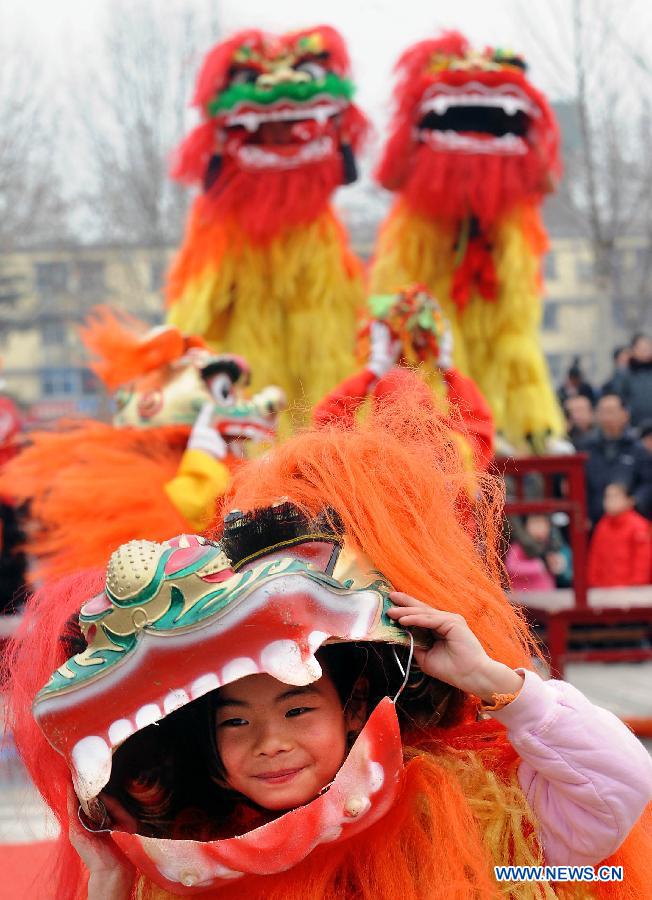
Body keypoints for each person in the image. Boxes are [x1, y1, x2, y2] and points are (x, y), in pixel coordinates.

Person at [5, 376, 652, 900]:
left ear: (349, 705)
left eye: (296, 708)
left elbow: (617, 789)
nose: (272, 743)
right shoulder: (194, 864)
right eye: (235, 723)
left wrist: (497, 683)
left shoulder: (462, 816)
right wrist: (112, 882)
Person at [577, 392, 650, 525]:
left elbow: (648, 483)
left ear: (625, 415)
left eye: (611, 411)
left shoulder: (637, 449)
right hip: (595, 521)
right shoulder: (585, 448)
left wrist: (632, 501)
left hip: (630, 521)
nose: (606, 417)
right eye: (602, 412)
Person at [587, 483, 652, 588]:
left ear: (629, 500)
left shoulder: (639, 526)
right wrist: (593, 583)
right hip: (604, 590)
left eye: (615, 496)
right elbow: (595, 557)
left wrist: (636, 586)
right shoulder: (602, 525)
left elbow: (643, 562)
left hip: (631, 591)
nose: (610, 501)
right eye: (607, 497)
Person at [505, 514, 572, 591]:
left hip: (547, 593)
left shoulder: (551, 544)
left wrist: (557, 565)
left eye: (543, 523)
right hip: (524, 595)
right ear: (526, 526)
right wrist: (539, 565)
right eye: (535, 523)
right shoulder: (519, 546)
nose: (539, 527)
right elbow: (510, 567)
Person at [609, 333, 652, 427]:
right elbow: (619, 398)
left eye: (648, 347)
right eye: (642, 348)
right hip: (633, 426)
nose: (646, 351)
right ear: (633, 350)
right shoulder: (624, 375)